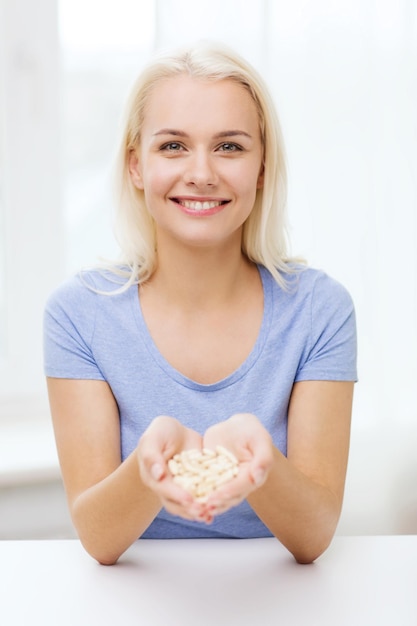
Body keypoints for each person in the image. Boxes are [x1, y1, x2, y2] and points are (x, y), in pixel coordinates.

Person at [43, 42, 357, 566]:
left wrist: (259, 462)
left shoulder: (320, 311)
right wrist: (147, 468)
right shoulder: (79, 314)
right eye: (172, 147)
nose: (202, 173)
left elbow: (314, 536)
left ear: (262, 168)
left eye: (230, 146)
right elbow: (99, 539)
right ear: (135, 167)